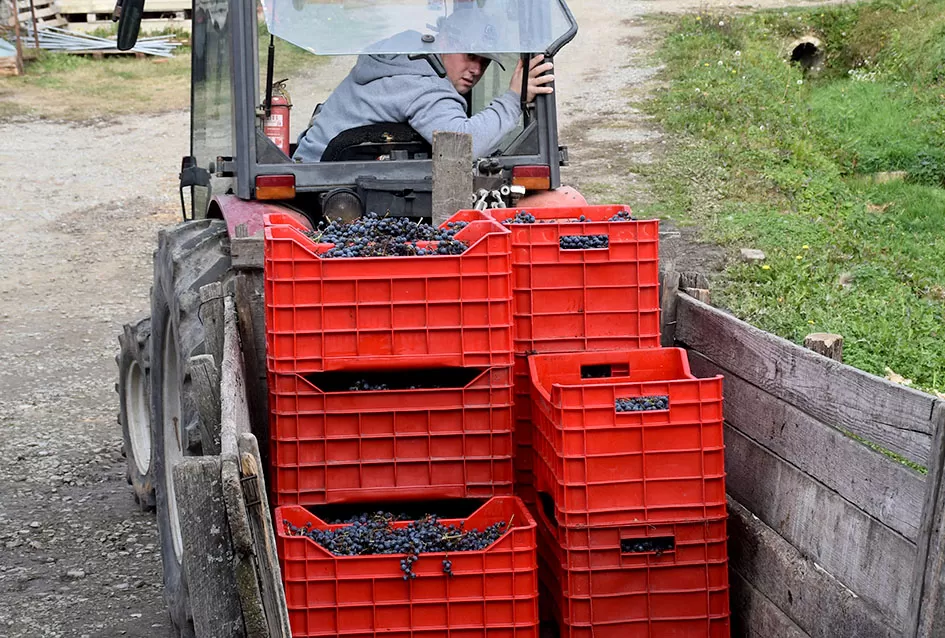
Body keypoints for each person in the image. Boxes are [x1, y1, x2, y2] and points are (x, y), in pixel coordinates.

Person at [293, 29, 555, 163]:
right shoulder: (424, 86)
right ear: (443, 43)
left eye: (484, 62)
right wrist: (513, 98)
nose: (476, 70)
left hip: (310, 165)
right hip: (320, 187)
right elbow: (465, 145)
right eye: (470, 56)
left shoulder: (399, 60)